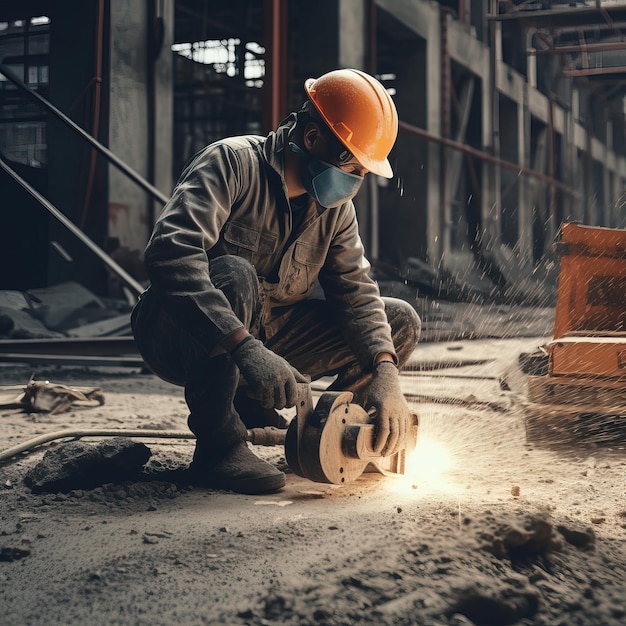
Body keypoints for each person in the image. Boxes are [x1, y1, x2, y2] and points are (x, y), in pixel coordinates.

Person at [131, 68, 421, 495]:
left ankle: (337, 439)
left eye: (363, 170)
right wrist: (243, 346)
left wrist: (385, 370)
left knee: (398, 324)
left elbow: (356, 289)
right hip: (179, 333)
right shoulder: (231, 163)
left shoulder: (334, 209)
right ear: (310, 138)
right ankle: (219, 449)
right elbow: (170, 254)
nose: (355, 179)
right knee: (234, 273)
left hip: (271, 336)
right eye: (350, 164)